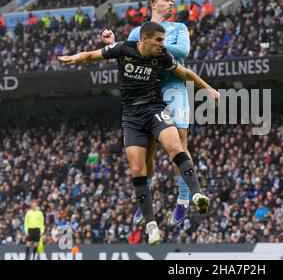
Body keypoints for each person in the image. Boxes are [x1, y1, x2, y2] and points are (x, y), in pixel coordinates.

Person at [59, 21, 220, 245]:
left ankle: (197, 194)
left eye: (163, 41)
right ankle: (152, 226)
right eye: (158, 40)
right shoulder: (124, 48)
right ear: (143, 39)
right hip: (132, 117)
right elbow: (91, 55)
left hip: (154, 109)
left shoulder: (162, 55)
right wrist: (74, 58)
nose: (162, 45)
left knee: (175, 147)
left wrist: (208, 88)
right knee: (138, 168)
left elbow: (185, 72)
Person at [101, 0, 194, 229]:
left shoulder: (179, 27)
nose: (171, 4)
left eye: (173, 2)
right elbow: (127, 60)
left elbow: (183, 50)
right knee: (149, 147)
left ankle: (184, 198)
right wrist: (112, 43)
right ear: (154, 4)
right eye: (167, 0)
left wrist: (154, 47)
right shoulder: (136, 32)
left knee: (180, 142)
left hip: (173, 86)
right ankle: (146, 203)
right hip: (149, 90)